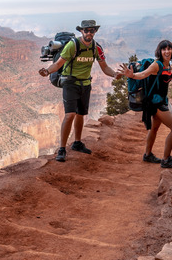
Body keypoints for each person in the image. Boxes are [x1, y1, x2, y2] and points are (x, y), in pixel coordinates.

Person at [39, 20, 121, 162]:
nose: (89, 33)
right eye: (86, 30)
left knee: (81, 114)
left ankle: (77, 143)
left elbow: (105, 67)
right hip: (70, 83)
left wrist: (114, 74)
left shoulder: (96, 48)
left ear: (95, 31)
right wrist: (47, 71)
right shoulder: (73, 45)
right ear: (81, 31)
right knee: (70, 115)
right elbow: (58, 64)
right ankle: (62, 149)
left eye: (92, 30)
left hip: (85, 84)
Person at [120, 40, 172, 168]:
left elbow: (169, 69)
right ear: (159, 51)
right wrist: (132, 75)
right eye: (164, 49)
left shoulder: (166, 65)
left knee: (154, 128)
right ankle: (166, 160)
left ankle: (148, 155)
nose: (167, 51)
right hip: (156, 103)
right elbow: (144, 74)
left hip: (160, 100)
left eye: (169, 49)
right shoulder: (157, 65)